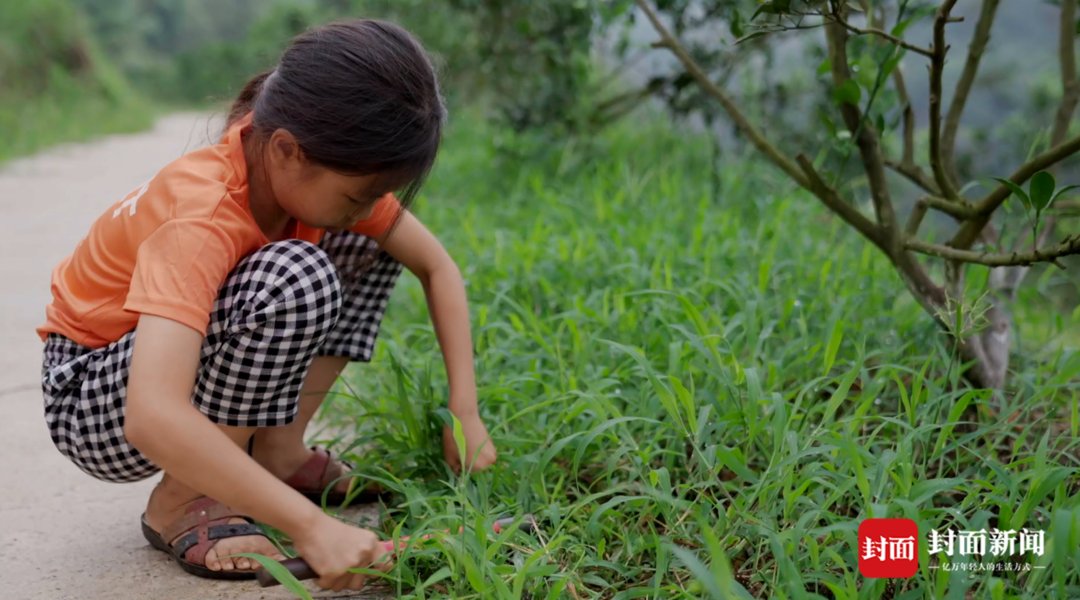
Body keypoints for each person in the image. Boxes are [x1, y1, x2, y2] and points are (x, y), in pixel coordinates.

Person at [36, 18, 496, 592]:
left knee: (359, 242)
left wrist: (465, 413)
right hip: (91, 396)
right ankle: (181, 501)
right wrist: (311, 528)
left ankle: (279, 451)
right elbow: (150, 412)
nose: (369, 206)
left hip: (159, 372)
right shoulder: (202, 216)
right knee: (293, 274)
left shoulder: (303, 168)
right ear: (286, 150)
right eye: (360, 193)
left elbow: (437, 266)